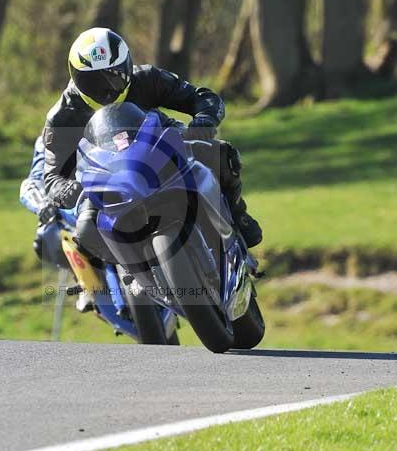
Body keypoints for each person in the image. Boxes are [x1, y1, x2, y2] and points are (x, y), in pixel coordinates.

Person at [20, 27, 262, 275]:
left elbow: (201, 96)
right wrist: (70, 189)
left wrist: (204, 120)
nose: (106, 89)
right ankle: (126, 276)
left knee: (221, 154)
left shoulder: (146, 78)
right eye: (92, 81)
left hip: (162, 148)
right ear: (75, 76)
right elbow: (51, 177)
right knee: (84, 231)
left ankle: (238, 216)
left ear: (126, 66)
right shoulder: (62, 116)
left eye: (113, 76)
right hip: (105, 178)